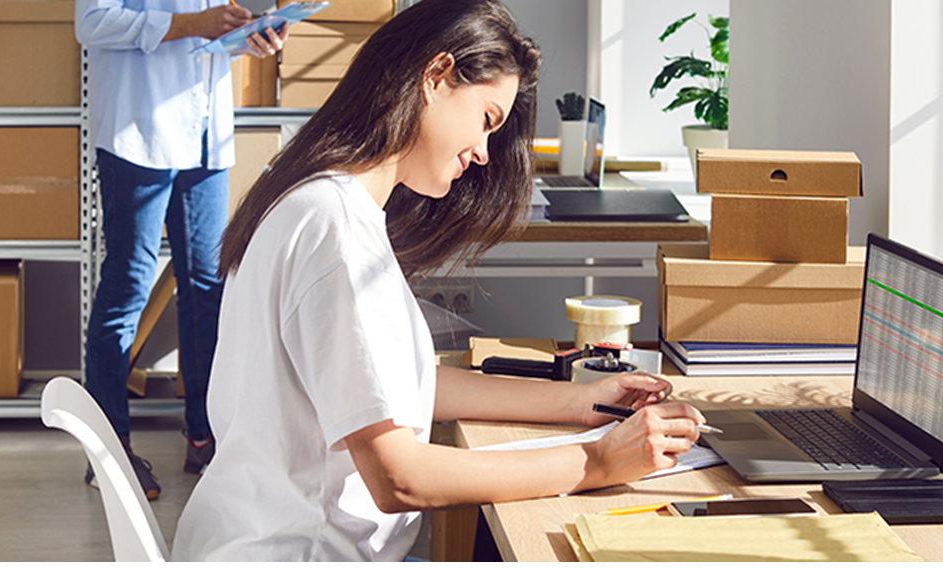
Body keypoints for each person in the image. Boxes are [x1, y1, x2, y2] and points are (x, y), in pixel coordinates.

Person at [171, 0, 710, 561]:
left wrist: (579, 403)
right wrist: (598, 461)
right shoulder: (334, 229)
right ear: (435, 77)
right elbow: (399, 479)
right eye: (486, 121)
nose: (481, 153)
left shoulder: (324, 201)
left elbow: (405, 383)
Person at [74, 0, 289, 500]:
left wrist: (251, 37)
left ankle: (204, 436)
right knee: (128, 284)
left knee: (208, 287)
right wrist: (194, 23)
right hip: (138, 131)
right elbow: (90, 23)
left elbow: (214, 37)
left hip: (206, 135)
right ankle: (108, 451)